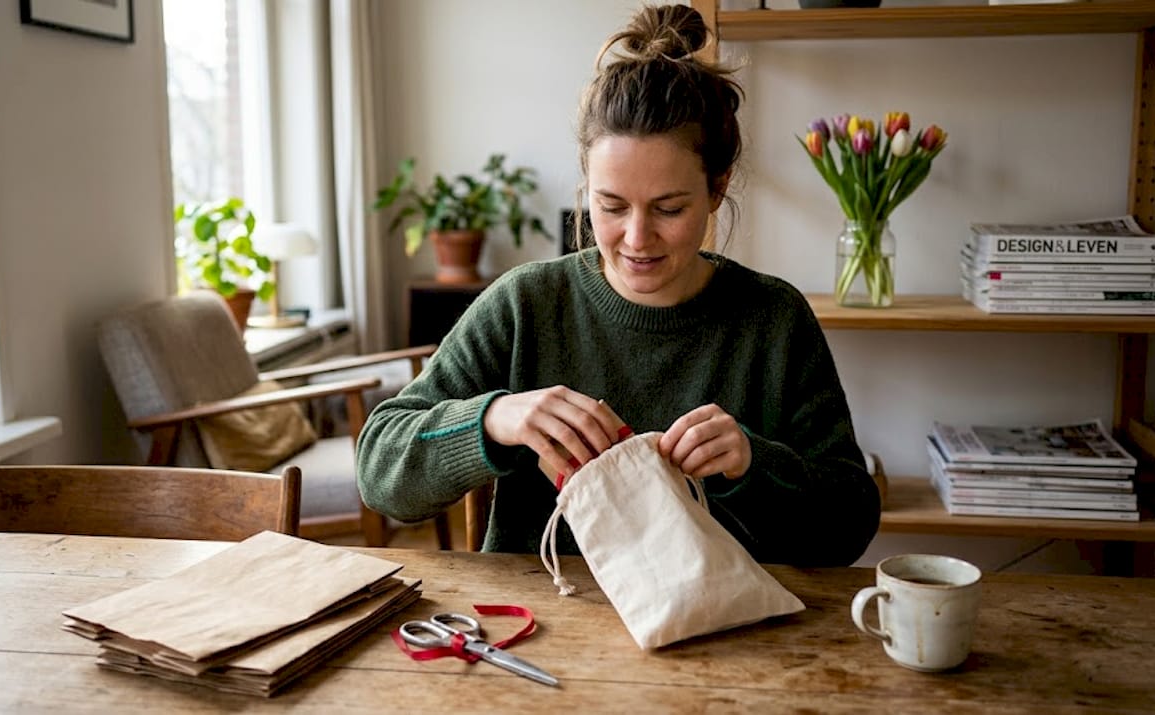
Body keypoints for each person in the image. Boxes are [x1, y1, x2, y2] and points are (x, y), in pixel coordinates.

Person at [357, 4, 880, 567]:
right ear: (586, 184)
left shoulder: (772, 317)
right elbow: (379, 473)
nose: (637, 238)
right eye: (610, 205)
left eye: (669, 208)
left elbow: (849, 525)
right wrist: (492, 421)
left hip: (726, 633)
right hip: (543, 628)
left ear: (717, 188)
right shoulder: (525, 305)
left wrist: (752, 464)